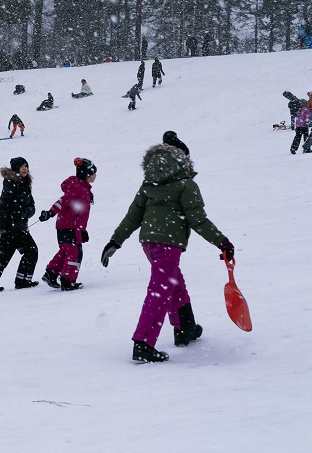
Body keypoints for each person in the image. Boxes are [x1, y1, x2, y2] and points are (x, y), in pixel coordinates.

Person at [100, 137, 235, 363]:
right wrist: (222, 242)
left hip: (149, 242)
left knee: (174, 283)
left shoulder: (149, 183)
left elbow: (133, 216)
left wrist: (115, 240)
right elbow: (198, 220)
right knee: (160, 290)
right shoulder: (186, 184)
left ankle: (185, 328)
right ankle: (143, 343)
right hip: (168, 243)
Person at [0, 157, 39, 292]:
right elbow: (3, 206)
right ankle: (22, 280)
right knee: (31, 251)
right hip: (13, 227)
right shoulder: (11, 184)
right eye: (22, 166)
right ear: (16, 169)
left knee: (3, 254)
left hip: (19, 226)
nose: (25, 169)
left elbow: (32, 206)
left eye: (26, 166)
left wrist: (26, 212)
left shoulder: (25, 184)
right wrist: (2, 226)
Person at [39, 157, 97, 291]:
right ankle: (67, 280)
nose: (95, 175)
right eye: (93, 173)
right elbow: (62, 201)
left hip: (65, 225)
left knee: (66, 251)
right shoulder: (78, 188)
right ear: (87, 175)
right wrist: (50, 213)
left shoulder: (81, 188)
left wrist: (83, 230)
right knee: (75, 253)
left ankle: (51, 273)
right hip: (70, 226)